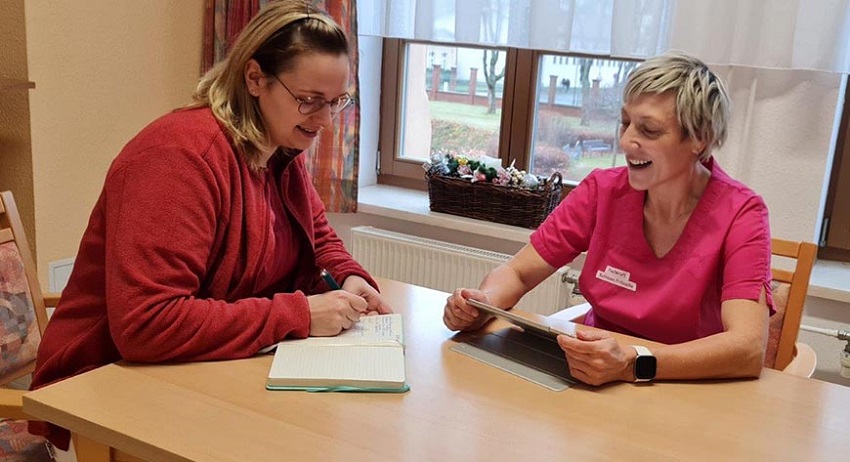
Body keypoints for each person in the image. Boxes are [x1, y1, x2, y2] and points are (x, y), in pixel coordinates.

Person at [30, 1, 390, 454]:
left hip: (198, 376)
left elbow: (318, 239)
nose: (324, 121)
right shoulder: (177, 160)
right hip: (103, 393)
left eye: (337, 101)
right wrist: (298, 315)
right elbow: (147, 324)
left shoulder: (277, 148)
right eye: (309, 100)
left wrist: (350, 276)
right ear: (255, 78)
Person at [444, 50, 773, 386]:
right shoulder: (602, 191)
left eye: (649, 130)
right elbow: (517, 272)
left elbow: (746, 348)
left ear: (698, 139)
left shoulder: (741, 213)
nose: (628, 141)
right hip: (592, 378)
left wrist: (634, 363)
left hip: (684, 387)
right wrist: (484, 304)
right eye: (626, 122)